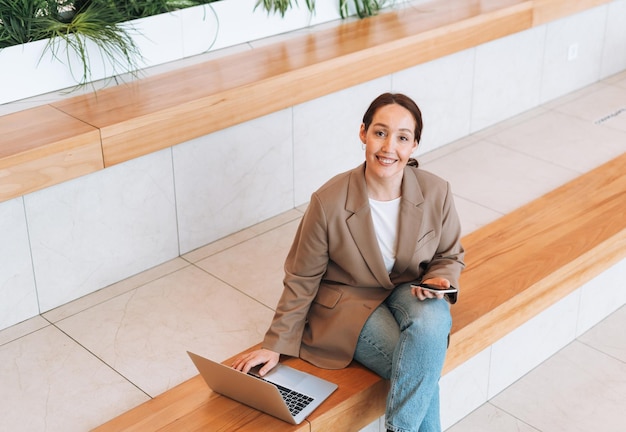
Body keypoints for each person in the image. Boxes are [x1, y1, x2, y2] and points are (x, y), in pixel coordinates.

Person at [233, 93, 465, 432]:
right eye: (380, 133)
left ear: (414, 145)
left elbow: (449, 254)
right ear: (363, 134)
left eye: (402, 137)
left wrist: (440, 279)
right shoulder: (328, 202)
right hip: (348, 303)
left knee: (433, 323)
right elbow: (301, 277)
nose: (389, 147)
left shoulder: (436, 191)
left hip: (408, 288)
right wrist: (275, 344)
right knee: (421, 366)